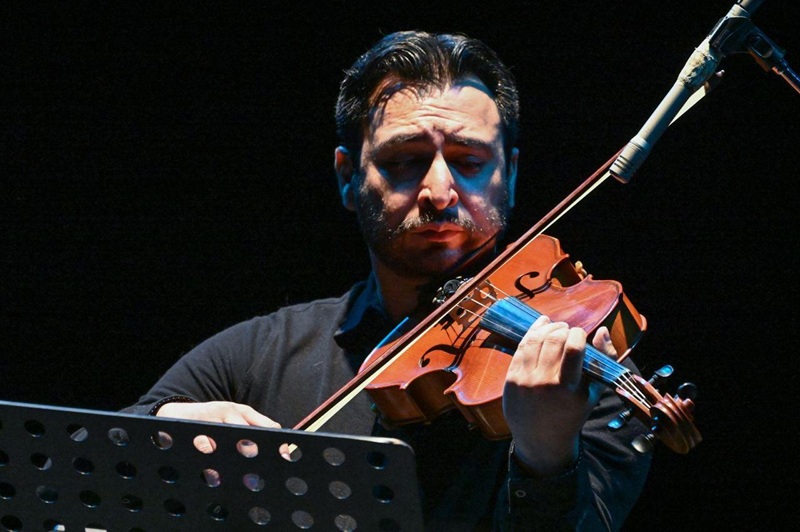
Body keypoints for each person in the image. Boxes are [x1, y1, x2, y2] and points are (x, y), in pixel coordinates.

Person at [123, 30, 651, 530]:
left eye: (469, 161)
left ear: (509, 176)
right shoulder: (263, 353)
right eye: (405, 161)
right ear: (347, 177)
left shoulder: (588, 370)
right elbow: (101, 451)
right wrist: (170, 428)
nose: (439, 192)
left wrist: (546, 453)